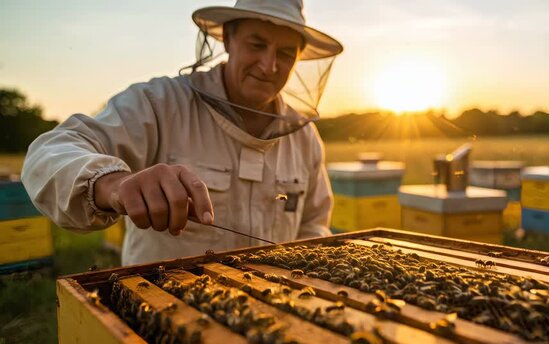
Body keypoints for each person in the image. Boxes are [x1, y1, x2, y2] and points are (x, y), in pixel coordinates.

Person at [21, 0, 343, 265]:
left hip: (269, 321)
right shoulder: (159, 104)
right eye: (256, 44)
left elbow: (313, 224)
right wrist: (113, 185)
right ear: (228, 39)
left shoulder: (305, 139)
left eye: (286, 53)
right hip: (160, 319)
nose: (269, 65)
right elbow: (49, 152)